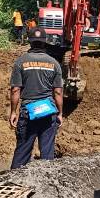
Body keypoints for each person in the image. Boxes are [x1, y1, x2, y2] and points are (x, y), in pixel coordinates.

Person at [9, 27, 64, 169]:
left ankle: (15, 184)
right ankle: (47, 185)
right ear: (45, 42)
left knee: (23, 151)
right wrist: (60, 113)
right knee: (47, 154)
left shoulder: (21, 62)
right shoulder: (54, 64)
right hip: (48, 113)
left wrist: (13, 112)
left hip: (28, 112)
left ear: (30, 42)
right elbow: (57, 92)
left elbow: (15, 89)